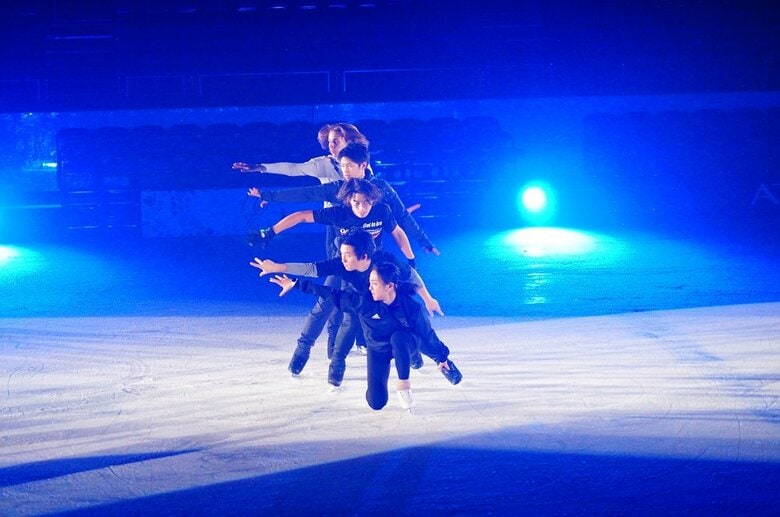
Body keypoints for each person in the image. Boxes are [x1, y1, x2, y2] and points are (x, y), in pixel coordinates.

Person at [251, 228, 461, 388]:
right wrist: (279, 268)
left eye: (347, 255)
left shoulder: (386, 261)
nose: (342, 259)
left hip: (394, 300)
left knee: (413, 332)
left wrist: (428, 298)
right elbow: (312, 268)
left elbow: (411, 277)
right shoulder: (342, 264)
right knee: (350, 321)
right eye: (341, 254)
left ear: (365, 257)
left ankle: (441, 361)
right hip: (365, 301)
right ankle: (337, 365)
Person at [234, 123, 368, 364]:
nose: (331, 145)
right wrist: (261, 170)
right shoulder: (323, 165)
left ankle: (351, 340)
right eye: (328, 142)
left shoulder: (363, 166)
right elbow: (293, 171)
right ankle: (317, 345)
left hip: (364, 236)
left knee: (358, 288)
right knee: (334, 290)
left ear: (350, 141)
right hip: (337, 233)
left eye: (336, 141)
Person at [270, 262, 461, 411]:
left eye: (375, 284)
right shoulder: (364, 303)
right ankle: (402, 369)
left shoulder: (410, 307)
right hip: (378, 350)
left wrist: (442, 358)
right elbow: (330, 293)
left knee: (399, 338)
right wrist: (295, 284)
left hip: (406, 342)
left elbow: (427, 335)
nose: (370, 287)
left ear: (390, 286)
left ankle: (405, 383)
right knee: (376, 403)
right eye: (370, 283)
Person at [248, 142, 439, 257]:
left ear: (363, 165)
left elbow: (402, 216)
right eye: (342, 166)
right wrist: (268, 196)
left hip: (371, 250)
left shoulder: (381, 188)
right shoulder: (339, 188)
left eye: (348, 166)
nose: (345, 171)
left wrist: (423, 242)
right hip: (342, 248)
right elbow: (305, 194)